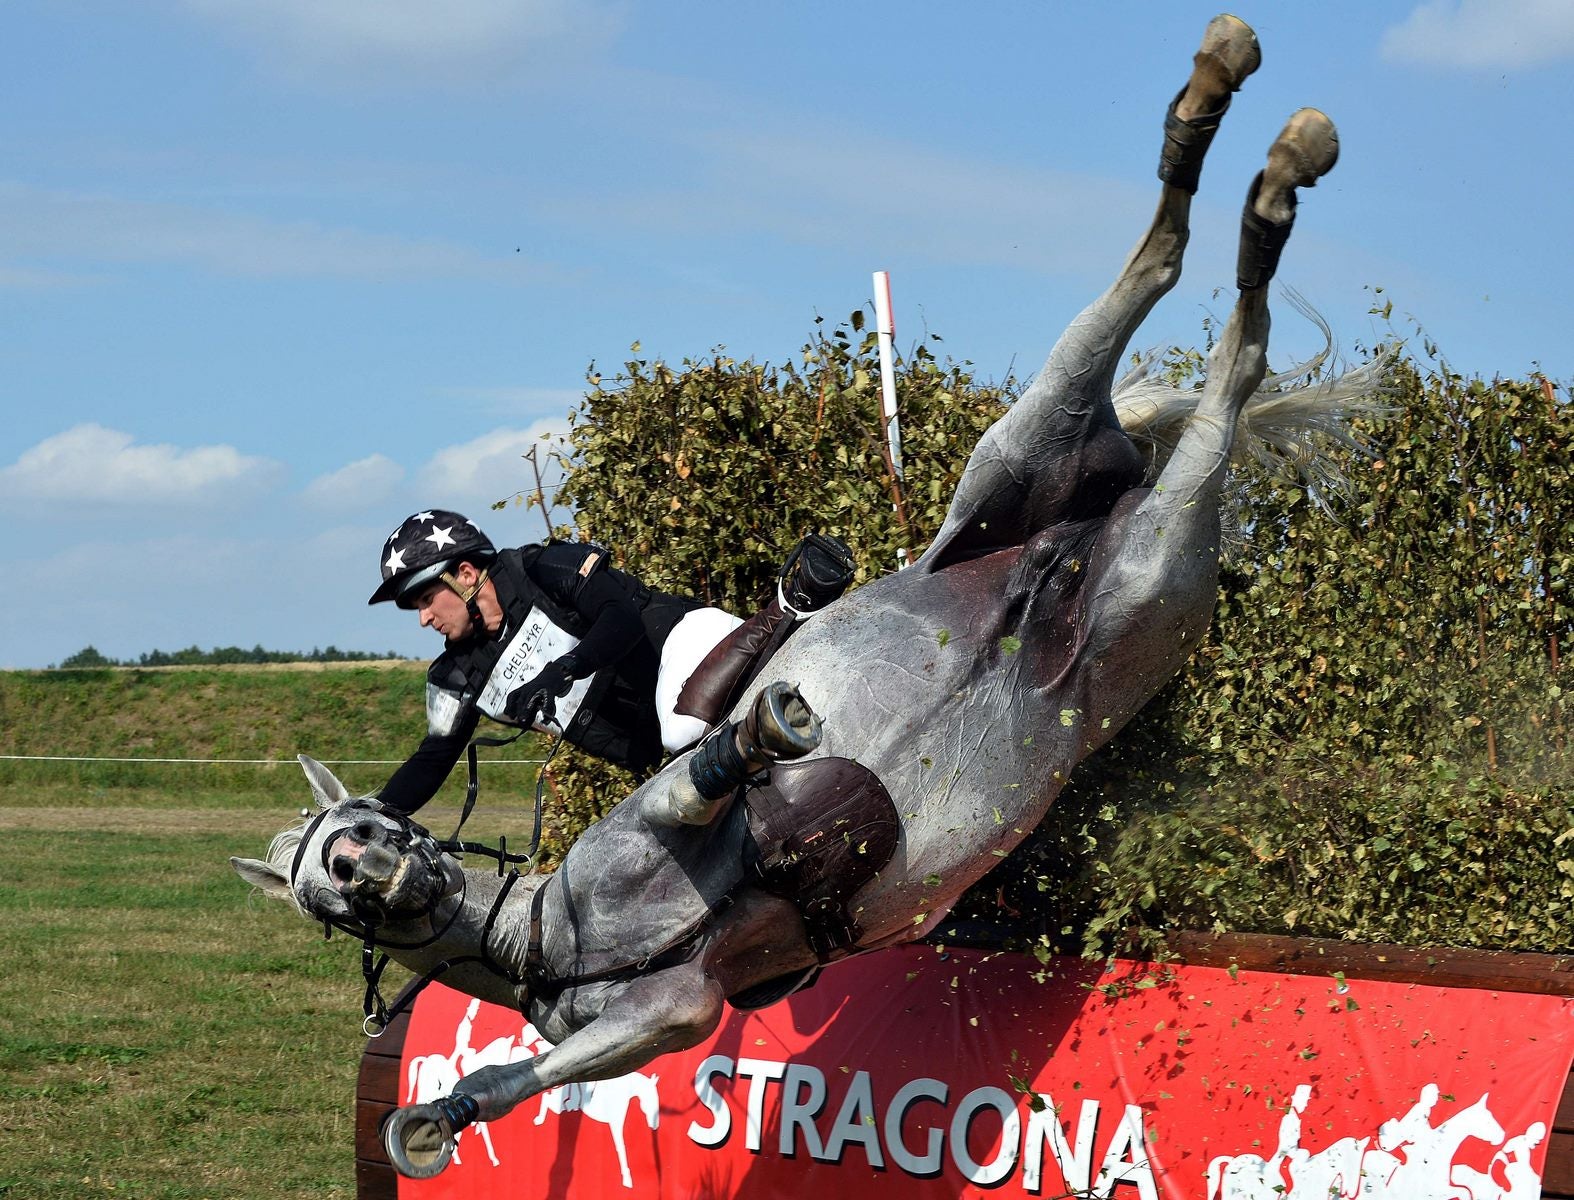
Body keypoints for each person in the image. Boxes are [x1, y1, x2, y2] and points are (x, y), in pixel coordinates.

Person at [368, 509, 854, 814]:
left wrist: (564, 668)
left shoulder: (544, 567)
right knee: (679, 815)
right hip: (668, 756)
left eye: (427, 600)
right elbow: (432, 760)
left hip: (686, 644)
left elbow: (618, 618)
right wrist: (372, 814)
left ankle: (792, 604)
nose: (425, 619)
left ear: (467, 573)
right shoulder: (458, 676)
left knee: (681, 729)